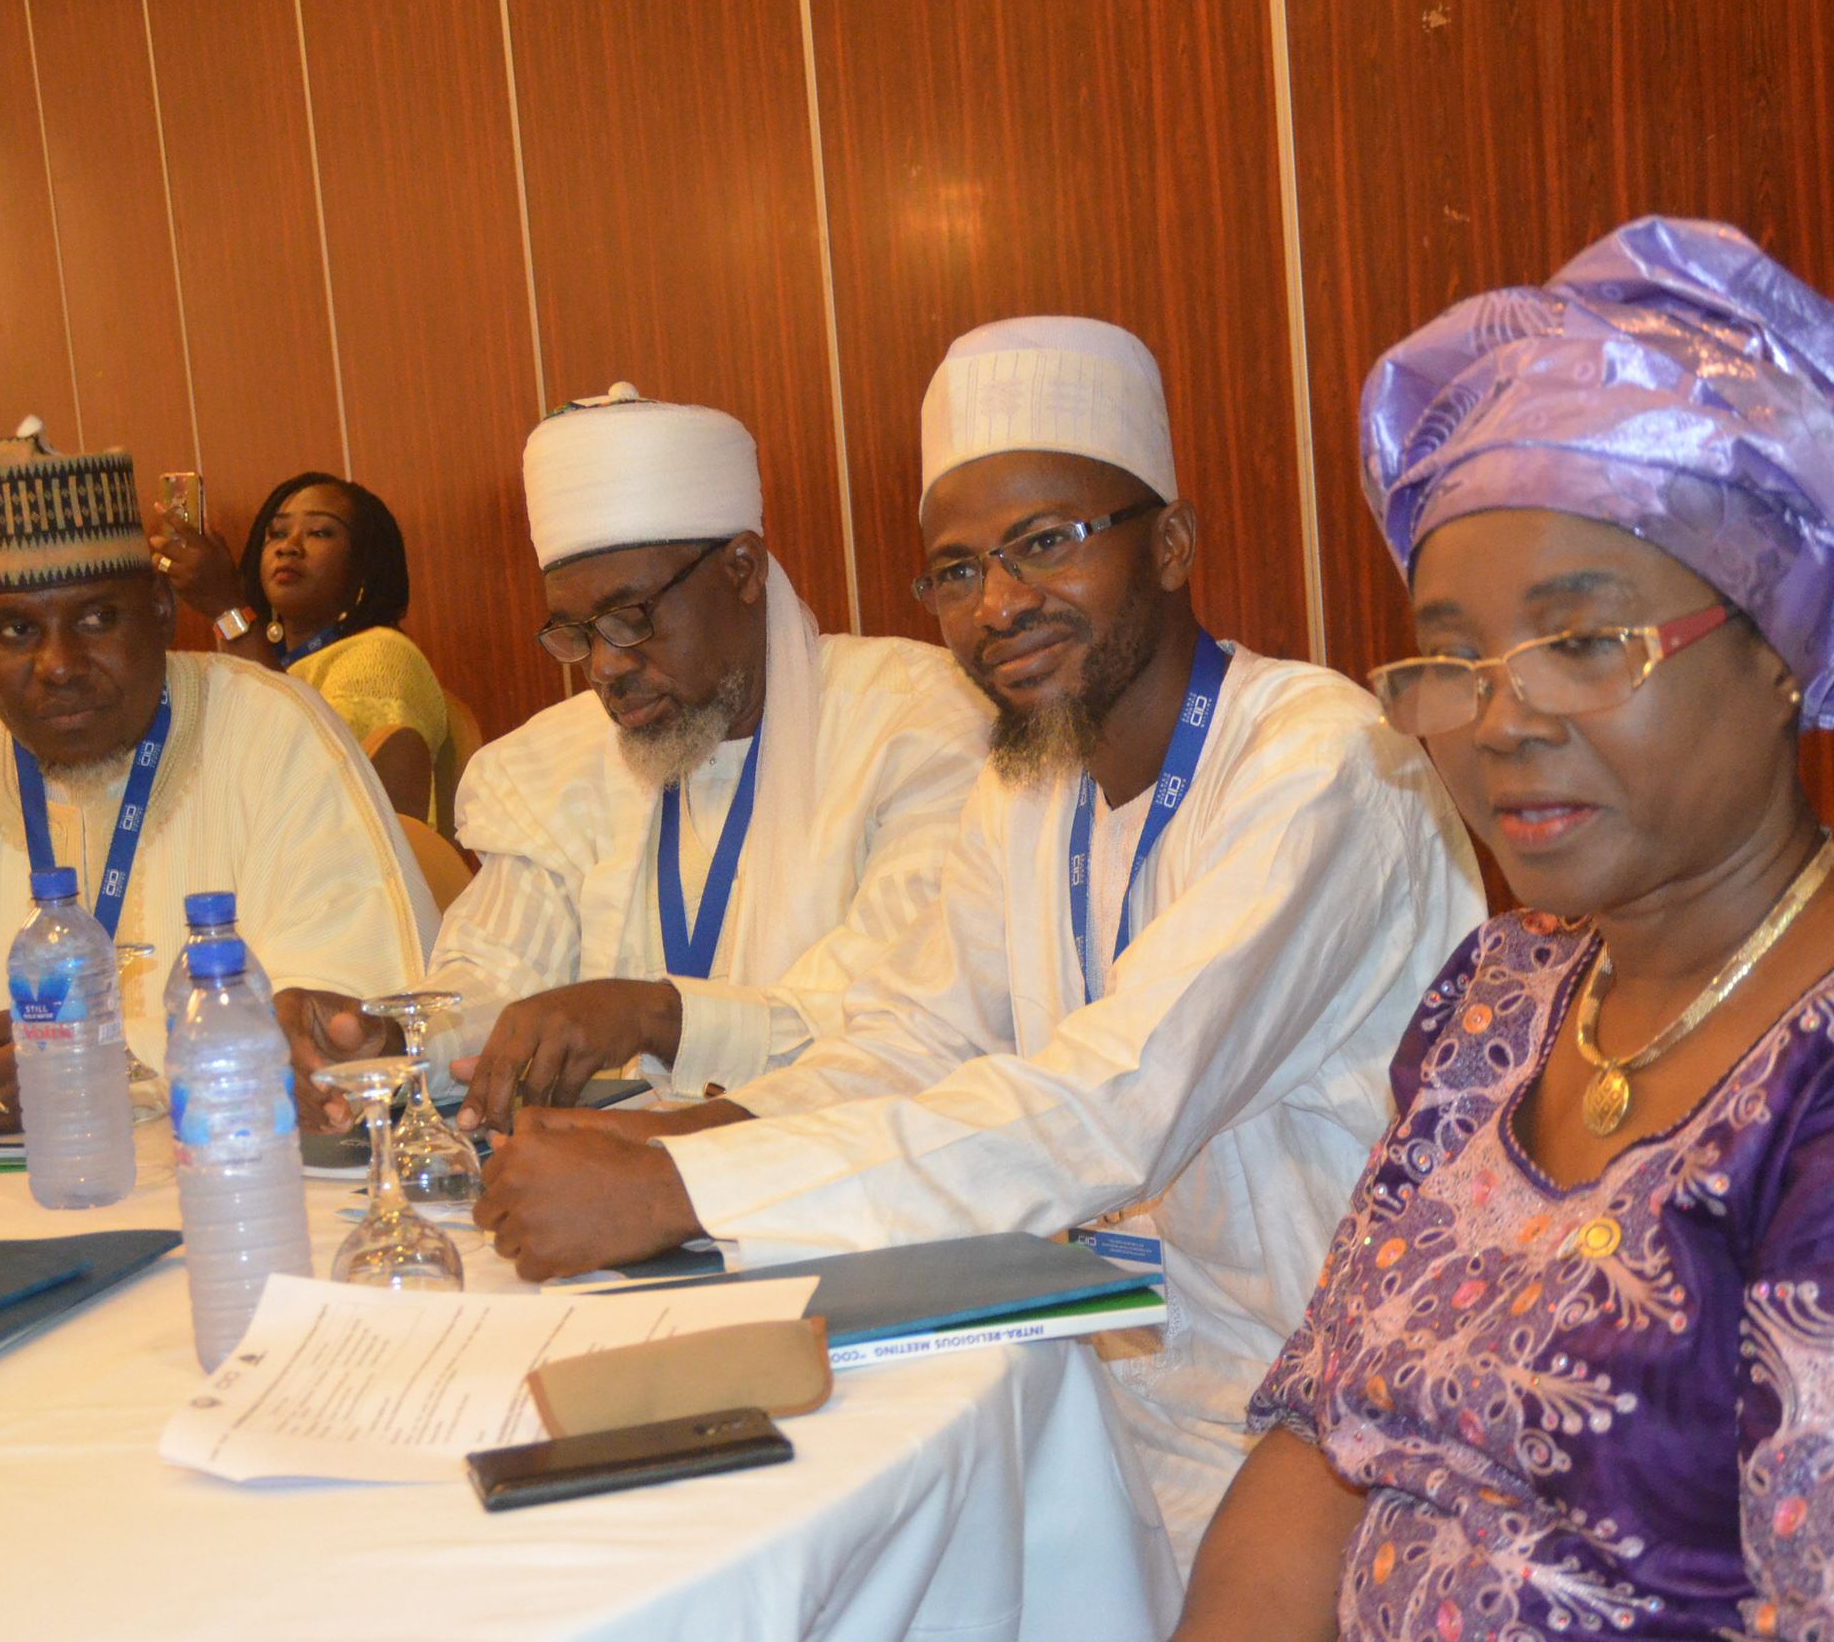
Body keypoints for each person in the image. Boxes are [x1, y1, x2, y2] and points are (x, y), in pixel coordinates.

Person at [1174, 218, 1834, 1641]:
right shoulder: (1500, 999)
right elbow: (1324, 1451)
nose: (1502, 718)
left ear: (1781, 652)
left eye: (1584, 643)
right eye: (1452, 660)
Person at [472, 320, 1484, 1564]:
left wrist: (683, 1188)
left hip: (1317, 1420)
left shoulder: (1315, 763)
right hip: (1085, 1360)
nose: (998, 605)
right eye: (955, 571)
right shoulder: (1028, 786)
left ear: (1170, 544)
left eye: (1045, 544)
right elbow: (913, 1038)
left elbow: (1114, 1103)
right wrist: (680, 1135)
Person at [293, 384, 987, 1129]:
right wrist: (397, 1037)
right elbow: (495, 973)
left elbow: (895, 1015)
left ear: (744, 570)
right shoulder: (549, 763)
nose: (603, 667)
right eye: (574, 634)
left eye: (630, 619)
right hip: (613, 1177)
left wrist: (659, 1015)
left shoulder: (918, 723)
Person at [0, 427, 440, 1134]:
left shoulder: (274, 731)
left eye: (98, 618)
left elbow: (359, 1007)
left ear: (161, 612)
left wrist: (102, 1067)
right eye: (13, 631)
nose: (59, 663)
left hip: (216, 1190)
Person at [150, 472, 447, 821]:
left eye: (319, 532)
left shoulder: (382, 654)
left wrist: (226, 608)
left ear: (365, 565)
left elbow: (319, 788)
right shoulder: (263, 659)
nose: (288, 545)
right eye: (276, 533)